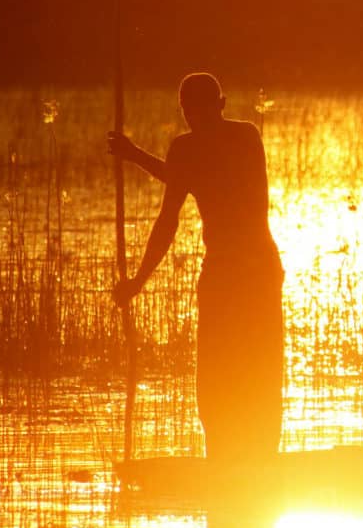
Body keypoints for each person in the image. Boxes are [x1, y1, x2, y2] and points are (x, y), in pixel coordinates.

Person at [109, 72, 285, 463]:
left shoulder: (244, 138)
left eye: (203, 108)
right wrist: (138, 281)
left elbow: (196, 174)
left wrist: (136, 155)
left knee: (260, 365)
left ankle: (261, 460)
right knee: (215, 374)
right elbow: (168, 216)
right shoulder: (187, 150)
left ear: (220, 106)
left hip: (255, 268)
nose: (195, 117)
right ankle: (221, 459)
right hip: (221, 269)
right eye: (188, 110)